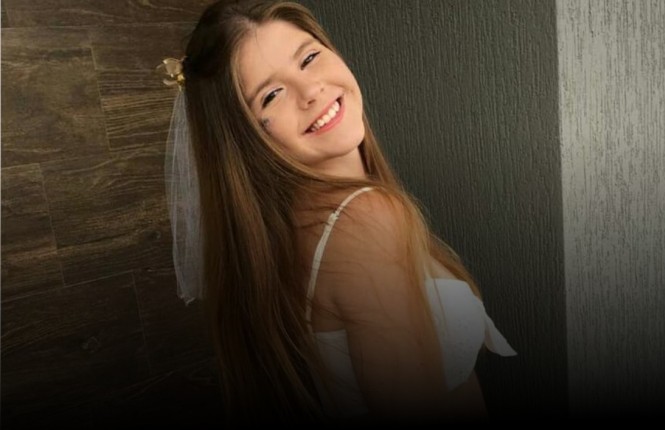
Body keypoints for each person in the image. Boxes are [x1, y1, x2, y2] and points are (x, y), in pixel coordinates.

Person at [160, 0, 516, 425]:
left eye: (308, 58)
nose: (310, 91)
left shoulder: (289, 229)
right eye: (271, 95)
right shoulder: (361, 221)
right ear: (246, 139)